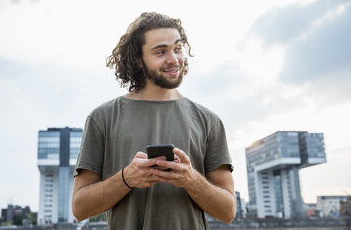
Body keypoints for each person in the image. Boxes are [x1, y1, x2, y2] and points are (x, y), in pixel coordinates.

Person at [72, 12, 236, 230]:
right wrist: (126, 179)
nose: (174, 59)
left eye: (177, 49)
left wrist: (190, 179)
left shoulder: (209, 121)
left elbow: (227, 212)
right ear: (138, 60)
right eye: (161, 52)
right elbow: (80, 209)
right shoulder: (102, 118)